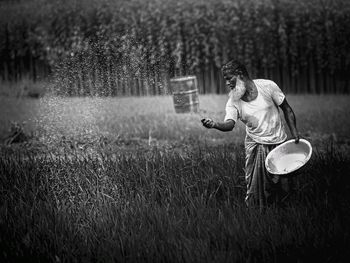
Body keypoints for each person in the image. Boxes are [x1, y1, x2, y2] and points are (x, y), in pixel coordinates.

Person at [201, 60, 300, 209]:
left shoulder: (268, 86)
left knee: (284, 182)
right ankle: (259, 212)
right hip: (256, 145)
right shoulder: (233, 101)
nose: (227, 83)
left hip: (279, 142)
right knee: (256, 188)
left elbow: (287, 109)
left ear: (240, 74)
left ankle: (286, 210)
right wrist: (215, 124)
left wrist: (295, 135)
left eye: (229, 78)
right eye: (226, 80)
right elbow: (229, 124)